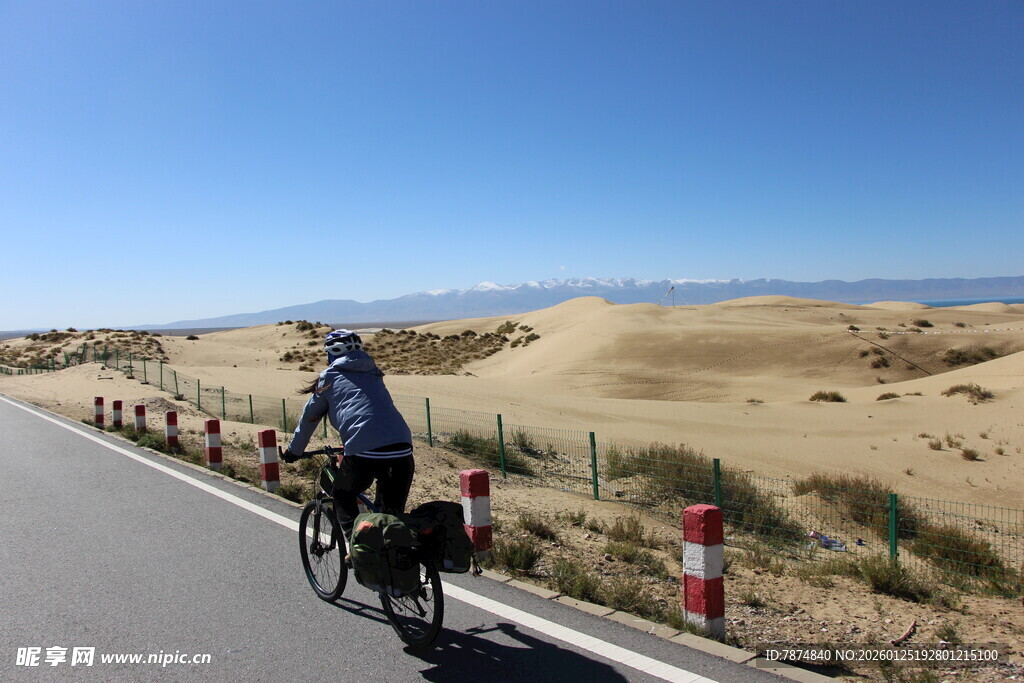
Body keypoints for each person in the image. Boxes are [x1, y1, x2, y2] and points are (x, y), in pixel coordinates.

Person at [281, 329, 414, 538]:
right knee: (393, 519)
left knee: (342, 494)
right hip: (403, 448)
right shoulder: (374, 372)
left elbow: (310, 418)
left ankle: (356, 544)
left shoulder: (329, 377)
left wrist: (293, 451)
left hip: (364, 452)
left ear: (331, 353)